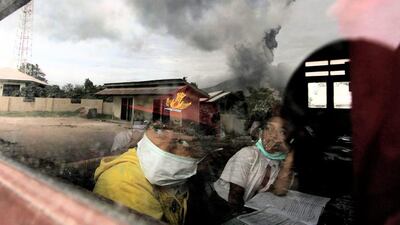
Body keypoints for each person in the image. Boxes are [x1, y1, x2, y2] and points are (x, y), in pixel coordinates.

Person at [93, 123, 205, 225]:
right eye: (159, 131)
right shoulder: (123, 181)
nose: (164, 149)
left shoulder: (183, 180)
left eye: (182, 142)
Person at [212, 115, 294, 220]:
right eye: (268, 128)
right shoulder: (248, 154)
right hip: (223, 205)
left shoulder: (278, 162)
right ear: (261, 132)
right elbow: (234, 198)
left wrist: (289, 156)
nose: (273, 135)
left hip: (245, 206)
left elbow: (279, 192)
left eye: (281, 132)